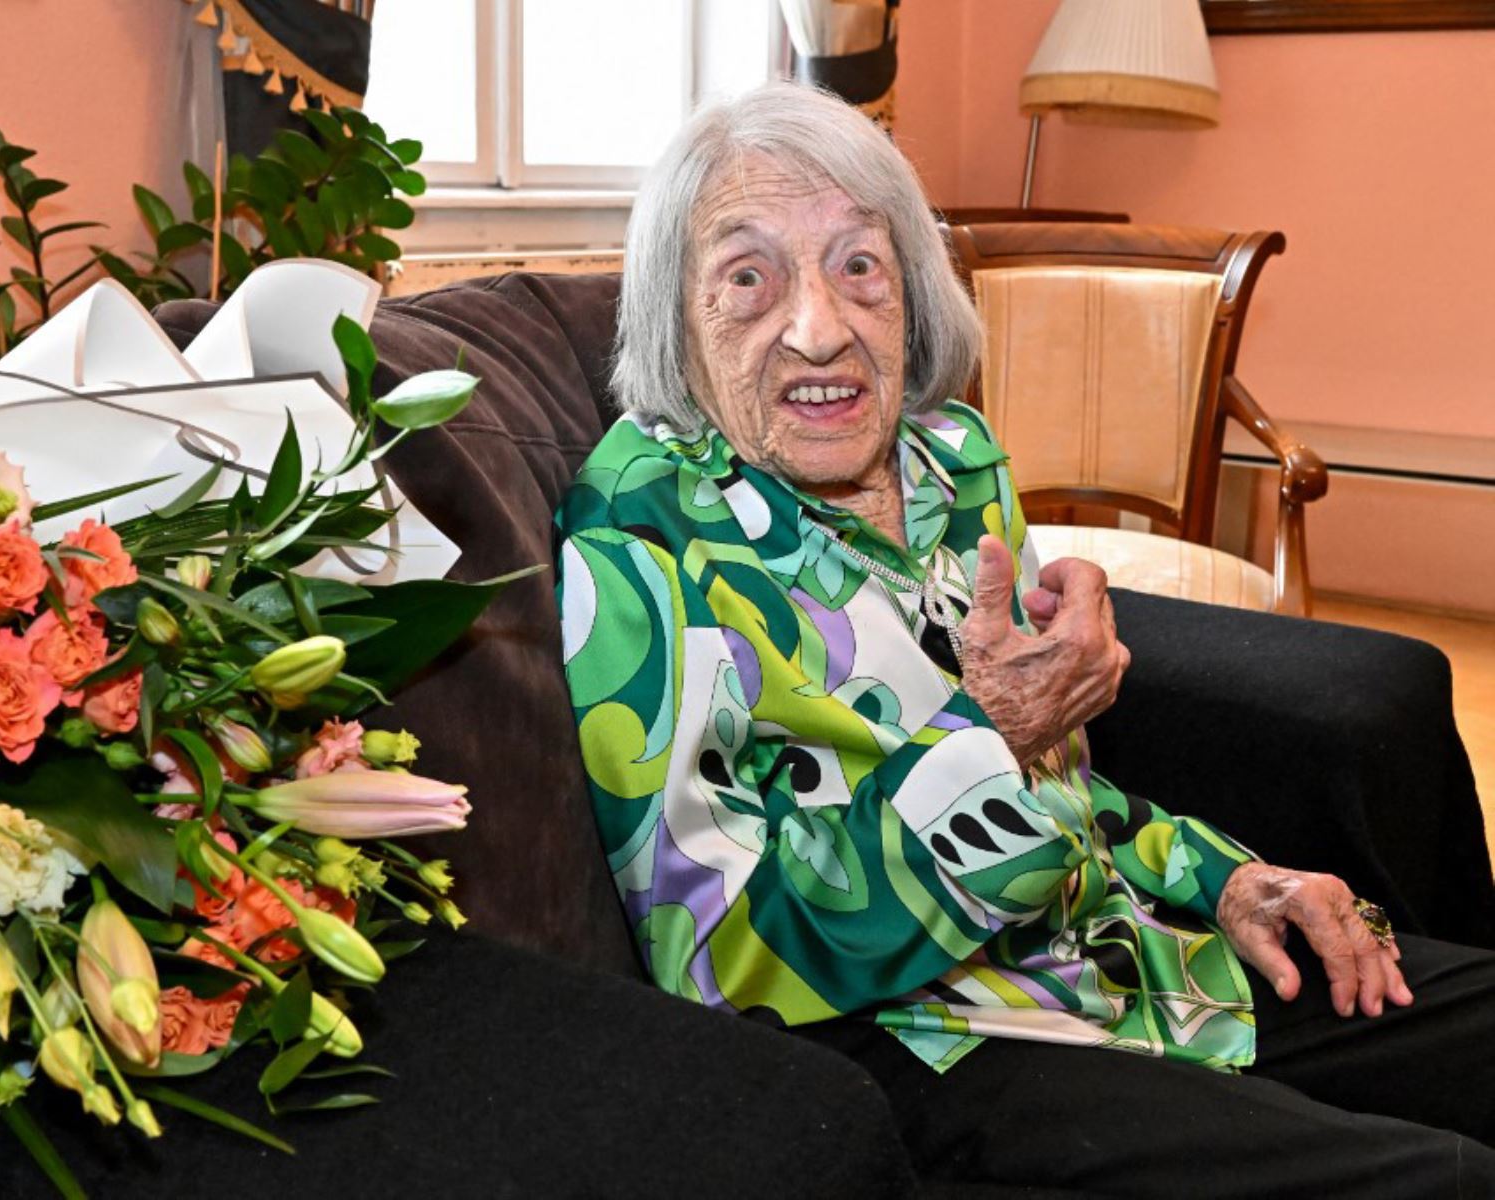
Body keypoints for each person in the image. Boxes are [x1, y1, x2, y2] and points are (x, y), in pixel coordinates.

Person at [555, 82, 1495, 1196]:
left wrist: (1225, 878)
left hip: (1115, 954)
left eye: (859, 264)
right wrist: (985, 734)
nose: (819, 326)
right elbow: (718, 966)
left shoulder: (950, 460)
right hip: (938, 1034)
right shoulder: (640, 539)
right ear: (677, 317)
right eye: (748, 279)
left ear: (911, 288)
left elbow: (1062, 791)